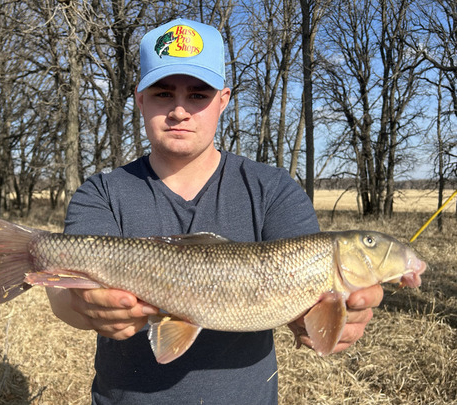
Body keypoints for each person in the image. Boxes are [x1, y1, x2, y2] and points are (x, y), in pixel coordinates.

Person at [46, 18, 383, 404]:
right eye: (162, 93)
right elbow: (63, 293)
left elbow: (310, 299)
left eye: (197, 95)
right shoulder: (101, 192)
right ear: (139, 99)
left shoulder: (273, 189)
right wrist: (83, 307)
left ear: (223, 100)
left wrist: (325, 319)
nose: (179, 111)